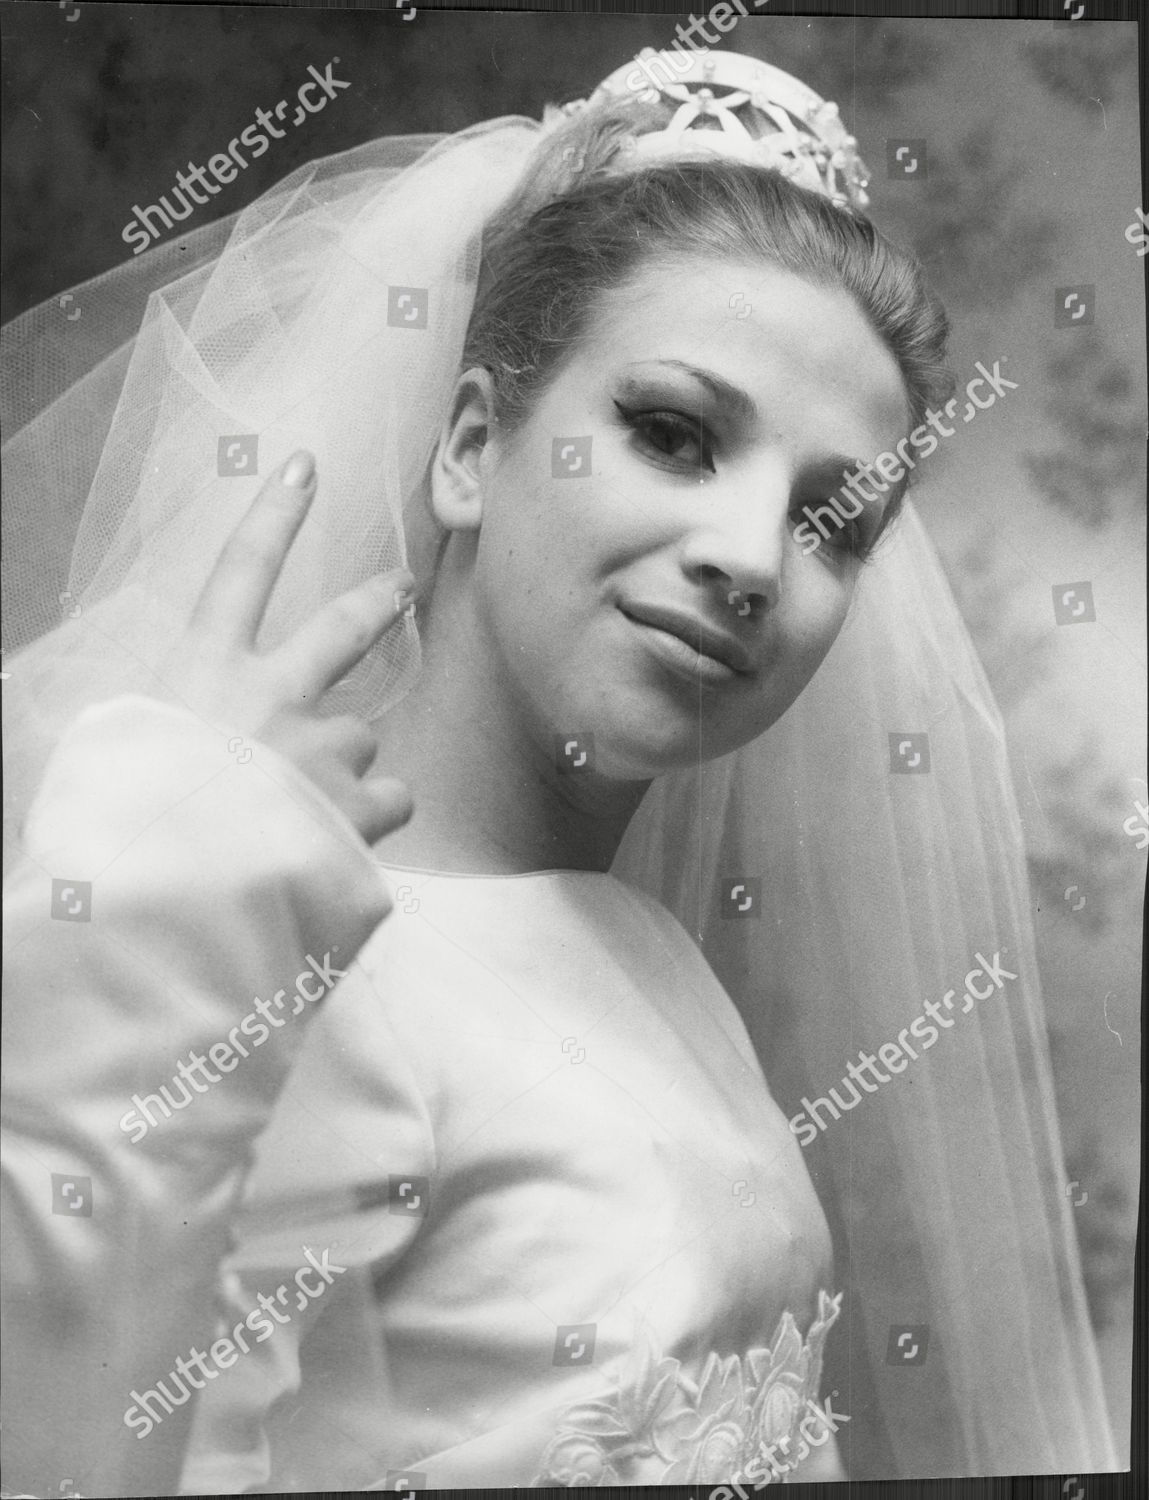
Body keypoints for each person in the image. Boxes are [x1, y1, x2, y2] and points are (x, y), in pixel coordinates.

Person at [0, 47, 1117, 1497]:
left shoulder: (647, 946)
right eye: (670, 433)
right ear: (471, 446)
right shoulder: (277, 969)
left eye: (831, 517)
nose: (748, 557)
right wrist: (174, 913)